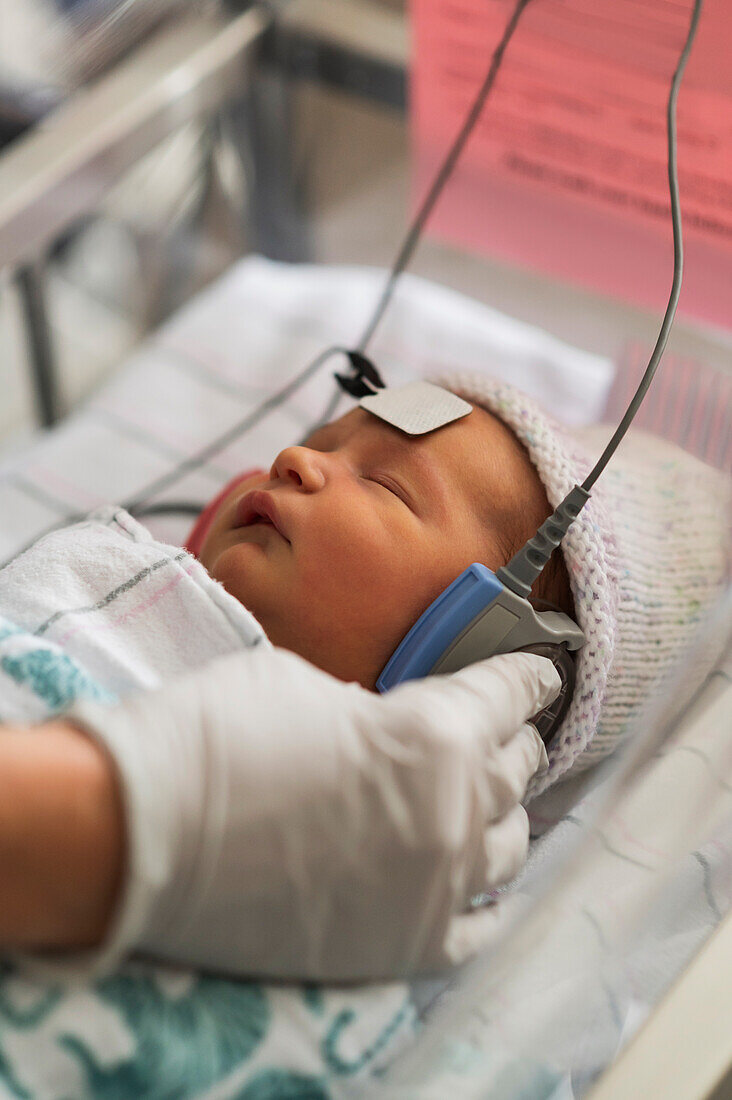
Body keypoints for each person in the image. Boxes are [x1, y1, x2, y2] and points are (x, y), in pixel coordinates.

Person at [0, 371, 726, 982]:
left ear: (477, 650)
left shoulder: (408, 910)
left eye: (386, 485)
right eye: (321, 444)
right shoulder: (96, 597)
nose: (292, 457)